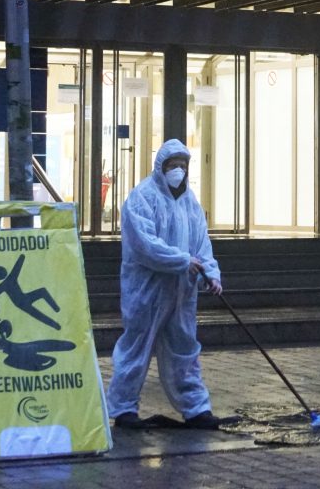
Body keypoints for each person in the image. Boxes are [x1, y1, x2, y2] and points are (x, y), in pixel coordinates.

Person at [105, 139, 224, 430]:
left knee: (184, 349)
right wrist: (182, 260)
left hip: (182, 292)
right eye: (173, 165)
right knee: (137, 348)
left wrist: (211, 273)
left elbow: (202, 244)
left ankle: (196, 408)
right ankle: (124, 409)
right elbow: (144, 245)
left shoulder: (190, 203)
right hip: (147, 291)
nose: (178, 170)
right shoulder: (142, 198)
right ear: (161, 167)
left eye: (183, 165)